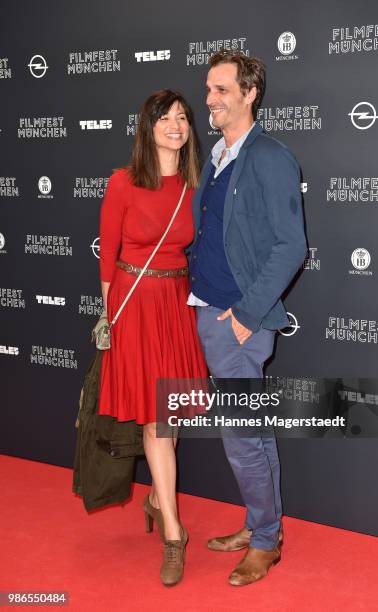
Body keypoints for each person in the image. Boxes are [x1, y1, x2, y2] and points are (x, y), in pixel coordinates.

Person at [188, 50, 307, 586]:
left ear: (249, 92)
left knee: (241, 437)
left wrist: (245, 314)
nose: (209, 99)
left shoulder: (269, 156)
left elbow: (290, 247)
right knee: (253, 434)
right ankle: (266, 526)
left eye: (220, 89)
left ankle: (264, 541)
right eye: (208, 90)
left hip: (237, 319)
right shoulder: (219, 155)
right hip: (211, 311)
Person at [98, 89, 207, 587]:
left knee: (170, 415)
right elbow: (108, 258)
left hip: (174, 305)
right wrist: (110, 317)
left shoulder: (194, 182)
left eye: (182, 117)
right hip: (135, 306)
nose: (176, 125)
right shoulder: (122, 182)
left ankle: (156, 498)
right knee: (156, 418)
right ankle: (173, 534)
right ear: (147, 127)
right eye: (165, 118)